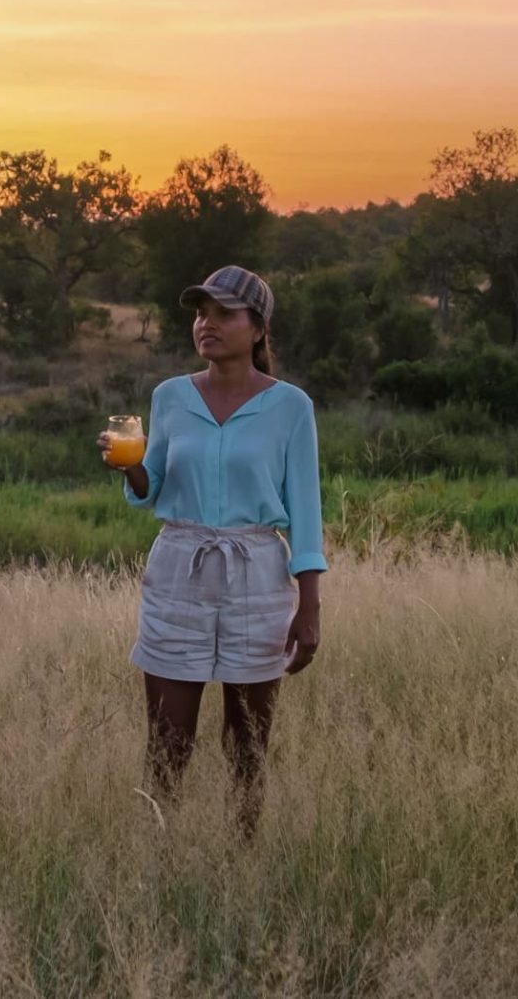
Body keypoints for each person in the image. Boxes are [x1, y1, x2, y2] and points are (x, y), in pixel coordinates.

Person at [99, 264, 325, 837]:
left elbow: (305, 509)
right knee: (168, 740)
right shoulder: (170, 396)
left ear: (258, 328)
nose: (207, 324)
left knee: (248, 743)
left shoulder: (290, 406)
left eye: (225, 313)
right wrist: (128, 467)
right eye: (202, 312)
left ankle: (241, 857)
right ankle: (158, 857)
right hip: (180, 567)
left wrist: (310, 605)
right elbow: (150, 489)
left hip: (257, 572)